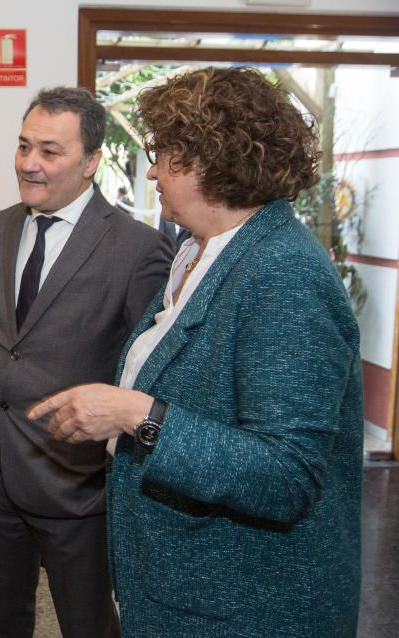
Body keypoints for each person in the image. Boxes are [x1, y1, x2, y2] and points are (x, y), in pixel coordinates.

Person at [29, 67, 363, 637]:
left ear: (214, 158)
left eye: (165, 153)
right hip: (184, 589)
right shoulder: (197, 250)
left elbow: (285, 475)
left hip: (246, 605)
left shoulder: (283, 272)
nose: (153, 169)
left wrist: (136, 414)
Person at [0, 87, 171, 638]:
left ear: (91, 161)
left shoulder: (136, 248)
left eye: (50, 152)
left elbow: (148, 367)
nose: (29, 164)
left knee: (89, 623)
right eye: (24, 147)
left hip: (77, 481)